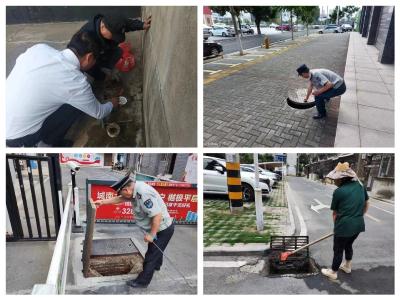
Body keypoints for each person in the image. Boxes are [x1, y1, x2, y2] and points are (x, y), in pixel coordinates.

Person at [6, 31, 119, 147]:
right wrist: (112, 103)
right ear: (89, 57)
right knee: (75, 107)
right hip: (17, 137)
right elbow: (99, 113)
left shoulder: (39, 49)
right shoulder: (76, 82)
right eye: (95, 60)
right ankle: (47, 145)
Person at [94, 173, 174, 288]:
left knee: (150, 255)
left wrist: (151, 235)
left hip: (163, 228)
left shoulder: (143, 193)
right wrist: (102, 202)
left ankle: (142, 282)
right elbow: (120, 198)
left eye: (123, 193)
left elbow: (157, 215)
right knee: (157, 249)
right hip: (160, 227)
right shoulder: (134, 190)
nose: (123, 197)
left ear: (126, 190)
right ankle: (157, 266)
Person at [321, 162, 369, 280]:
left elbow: (335, 213)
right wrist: (359, 215)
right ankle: (347, 266)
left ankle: (333, 272)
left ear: (342, 178)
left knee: (338, 249)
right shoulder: (360, 186)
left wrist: (336, 228)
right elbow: (367, 203)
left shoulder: (338, 192)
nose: (334, 181)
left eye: (335, 179)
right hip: (358, 225)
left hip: (343, 226)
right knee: (348, 244)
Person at [77, 13, 151, 80]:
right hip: (85, 65)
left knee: (118, 52)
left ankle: (109, 70)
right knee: (95, 77)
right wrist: (103, 76)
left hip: (102, 49)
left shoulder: (110, 21)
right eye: (114, 35)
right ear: (103, 28)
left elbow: (125, 24)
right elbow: (86, 65)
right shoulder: (87, 40)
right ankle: (103, 76)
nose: (115, 38)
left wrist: (141, 25)